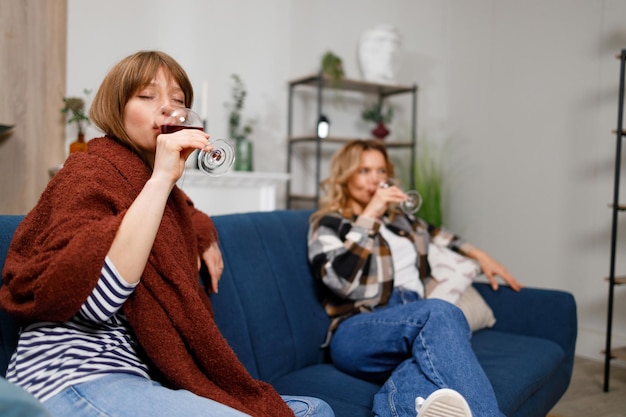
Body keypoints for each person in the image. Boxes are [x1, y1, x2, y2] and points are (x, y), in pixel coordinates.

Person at [0, 50, 333, 417]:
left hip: (136, 382)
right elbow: (95, 303)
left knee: (315, 410)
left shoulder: (162, 197)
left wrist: (200, 231)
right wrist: (161, 178)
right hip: (71, 378)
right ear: (117, 107)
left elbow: (186, 211)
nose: (168, 109)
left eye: (178, 100)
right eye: (147, 96)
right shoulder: (86, 173)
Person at [307, 139, 523, 417]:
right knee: (441, 312)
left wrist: (482, 255)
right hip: (359, 327)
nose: (375, 179)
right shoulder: (328, 223)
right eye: (364, 171)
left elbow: (444, 237)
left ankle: (395, 409)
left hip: (413, 321)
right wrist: (371, 213)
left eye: (381, 171)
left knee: (425, 358)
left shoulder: (401, 222)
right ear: (345, 176)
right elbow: (340, 280)